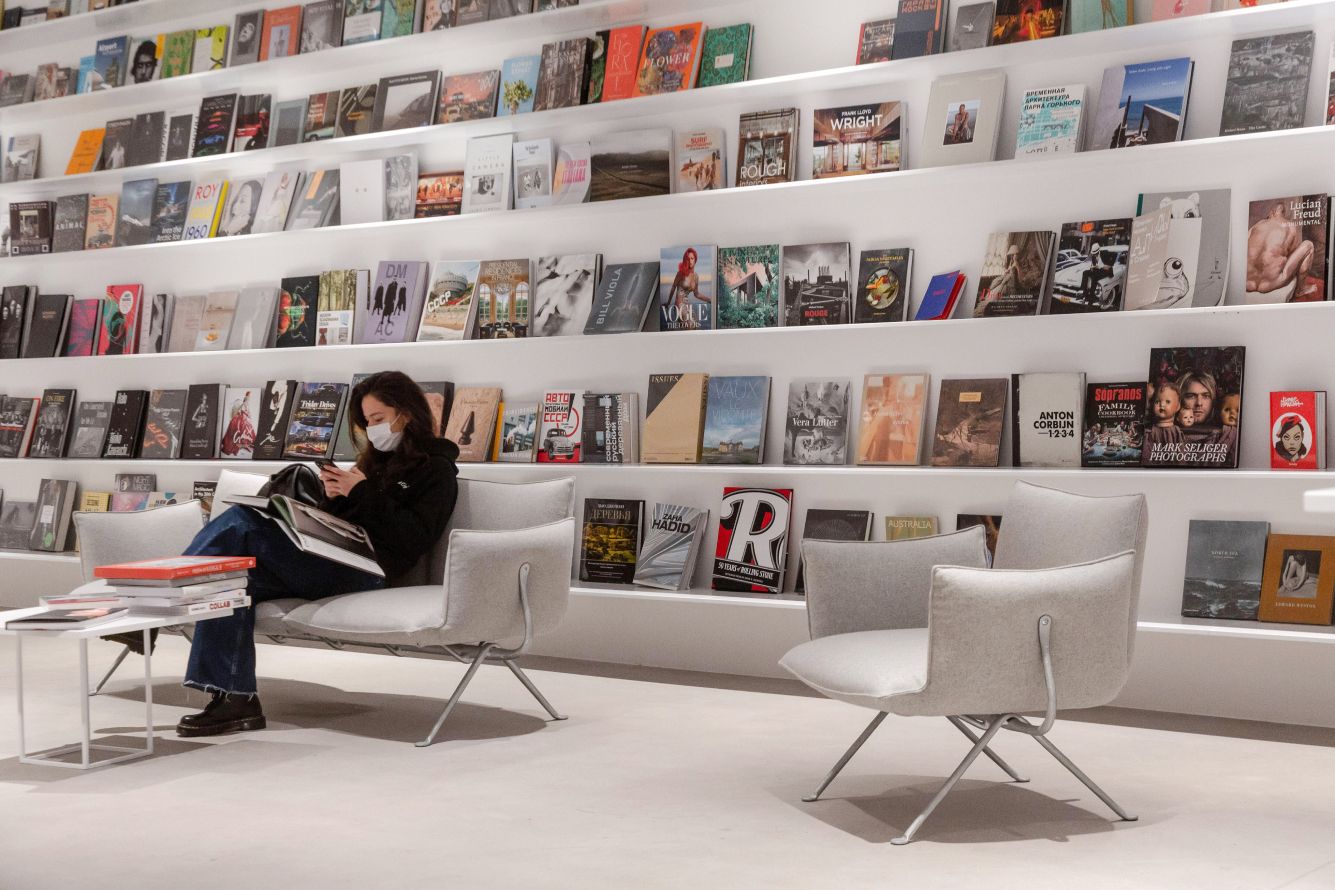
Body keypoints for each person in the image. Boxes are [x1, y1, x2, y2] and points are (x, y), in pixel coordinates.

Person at [174, 372, 460, 737]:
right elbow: (345, 524)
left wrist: (362, 492)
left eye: (378, 419)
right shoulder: (375, 463)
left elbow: (413, 538)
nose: (373, 429)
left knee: (243, 521)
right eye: (367, 422)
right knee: (229, 582)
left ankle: (163, 595)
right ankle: (235, 701)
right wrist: (333, 499)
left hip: (370, 571)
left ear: (405, 413)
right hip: (332, 559)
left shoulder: (437, 471)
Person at [1246, 201, 1315, 303]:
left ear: (1271, 212)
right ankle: (1300, 290)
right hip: (1272, 283)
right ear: (1283, 213)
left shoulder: (1257, 225)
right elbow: (1291, 253)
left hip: (1247, 282)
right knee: (1308, 245)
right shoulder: (1290, 226)